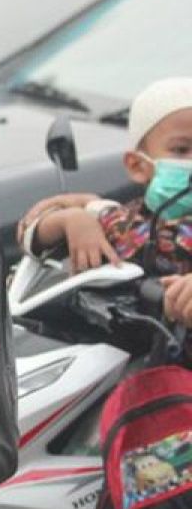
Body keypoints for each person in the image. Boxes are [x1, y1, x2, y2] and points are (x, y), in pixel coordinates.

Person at [18, 78, 192, 325]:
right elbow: (30, 231)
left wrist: (93, 209)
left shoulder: (118, 221)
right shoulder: (129, 216)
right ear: (138, 165)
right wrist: (71, 220)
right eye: (182, 150)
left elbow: (154, 244)